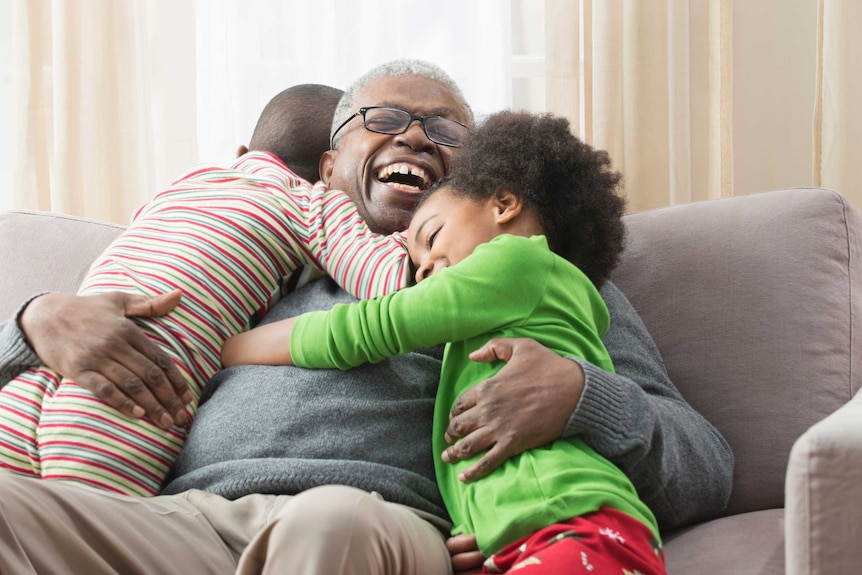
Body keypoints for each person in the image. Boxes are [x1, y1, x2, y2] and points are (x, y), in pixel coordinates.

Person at [0, 60, 731, 574]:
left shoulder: (537, 278)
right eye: (382, 119)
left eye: (446, 132)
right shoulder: (246, 254)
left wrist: (581, 395)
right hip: (182, 524)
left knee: (330, 520)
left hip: (375, 525)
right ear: (325, 163)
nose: (414, 137)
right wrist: (32, 323)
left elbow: (707, 464)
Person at [221, 110, 668, 574]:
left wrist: (226, 349)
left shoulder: (517, 262)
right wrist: (477, 525)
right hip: (526, 536)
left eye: (431, 237)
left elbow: (369, 329)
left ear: (503, 205)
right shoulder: (511, 310)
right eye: (417, 267)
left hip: (574, 522)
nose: (426, 269)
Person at [0, 82, 418, 496]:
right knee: (86, 537)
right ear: (329, 172)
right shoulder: (311, 203)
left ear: (242, 156)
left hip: (35, 376)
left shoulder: (184, 185)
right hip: (135, 387)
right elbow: (389, 281)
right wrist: (421, 233)